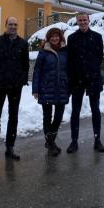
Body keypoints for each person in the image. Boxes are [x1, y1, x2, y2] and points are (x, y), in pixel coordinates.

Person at [0, 16, 29, 163]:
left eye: (15, 24)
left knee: (13, 117)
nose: (13, 27)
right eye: (10, 24)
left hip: (15, 87)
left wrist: (22, 81)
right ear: (5, 25)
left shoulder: (23, 43)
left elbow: (25, 65)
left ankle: (10, 148)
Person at [66, 13, 104, 153]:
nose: (82, 22)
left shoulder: (97, 37)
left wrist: (91, 70)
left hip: (93, 79)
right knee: (75, 111)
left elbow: (99, 57)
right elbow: (70, 60)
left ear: (89, 21)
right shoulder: (71, 38)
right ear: (77, 22)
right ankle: (74, 141)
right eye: (80, 20)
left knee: (95, 110)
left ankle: (97, 140)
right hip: (77, 80)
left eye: (84, 20)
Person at [31, 27, 70, 156]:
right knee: (47, 117)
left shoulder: (66, 51)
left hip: (61, 88)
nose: (54, 38)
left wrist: (69, 86)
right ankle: (51, 144)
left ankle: (50, 141)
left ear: (60, 37)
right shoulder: (43, 52)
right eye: (52, 36)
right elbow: (37, 71)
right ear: (48, 38)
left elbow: (70, 71)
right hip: (46, 87)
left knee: (58, 117)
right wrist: (35, 89)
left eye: (57, 36)